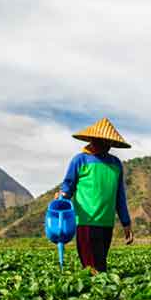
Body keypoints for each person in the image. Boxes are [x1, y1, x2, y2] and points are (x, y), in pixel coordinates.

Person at [57, 117, 134, 274]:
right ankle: (98, 295)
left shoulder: (116, 164)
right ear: (92, 140)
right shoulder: (80, 160)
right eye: (102, 142)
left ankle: (101, 294)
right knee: (92, 268)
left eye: (108, 143)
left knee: (100, 264)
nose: (106, 146)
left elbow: (120, 196)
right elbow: (68, 186)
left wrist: (126, 223)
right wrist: (62, 197)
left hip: (107, 224)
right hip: (87, 222)